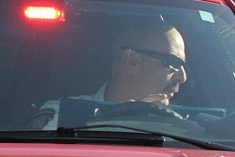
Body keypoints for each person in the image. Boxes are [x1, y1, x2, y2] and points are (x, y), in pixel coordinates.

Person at [29, 18, 187, 129]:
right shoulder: (62, 117)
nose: (182, 77)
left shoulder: (188, 129)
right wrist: (127, 122)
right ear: (132, 59)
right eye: (173, 62)